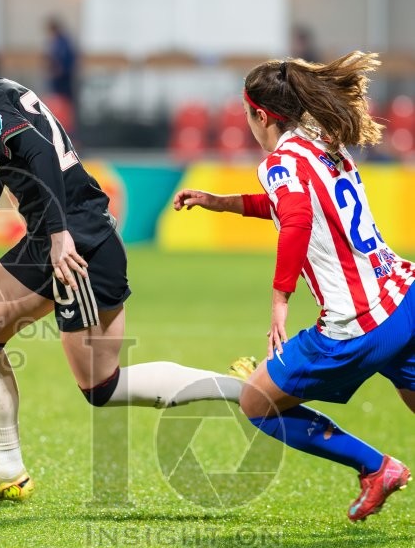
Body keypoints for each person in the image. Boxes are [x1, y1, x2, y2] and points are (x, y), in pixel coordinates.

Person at [0, 5, 248, 504]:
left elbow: (41, 155)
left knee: (102, 388)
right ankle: (7, 468)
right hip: (57, 233)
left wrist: (58, 235)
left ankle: (248, 389)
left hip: (80, 241)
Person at [173, 52, 413, 522]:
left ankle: (376, 467)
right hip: (403, 295)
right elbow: (298, 205)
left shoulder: (281, 159)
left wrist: (280, 300)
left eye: (248, 116)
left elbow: (298, 217)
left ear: (261, 114)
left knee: (256, 399)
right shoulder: (323, 140)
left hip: (358, 322)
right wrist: (220, 203)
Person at [45, 18, 77, 105]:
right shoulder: (56, 41)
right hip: (59, 76)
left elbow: (63, 57)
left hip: (63, 77)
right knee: (58, 98)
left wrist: (60, 68)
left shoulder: (62, 41)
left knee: (64, 99)